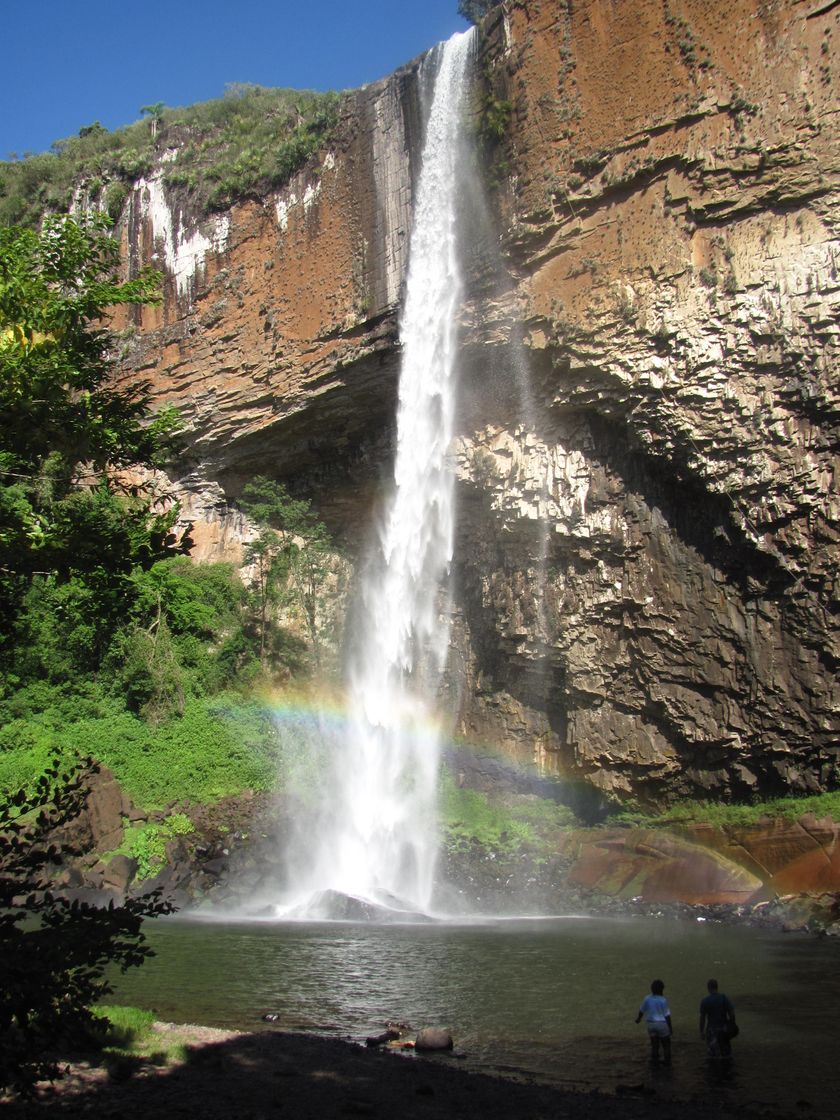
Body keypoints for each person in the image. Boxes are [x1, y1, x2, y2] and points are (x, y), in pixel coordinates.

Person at [635, 979, 672, 1064]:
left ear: (651, 989)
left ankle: (654, 1062)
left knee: (654, 1045)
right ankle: (668, 1063)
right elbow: (667, 1015)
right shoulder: (663, 1000)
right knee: (666, 1045)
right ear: (662, 990)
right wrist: (670, 1028)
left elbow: (641, 1010)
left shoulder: (647, 998)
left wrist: (638, 1019)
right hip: (662, 1024)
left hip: (651, 1025)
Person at [699, 978, 736, 1058]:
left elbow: (702, 1018)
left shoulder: (705, 1001)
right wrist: (732, 1024)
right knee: (726, 1054)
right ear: (717, 987)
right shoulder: (724, 998)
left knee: (713, 1055)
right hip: (724, 1029)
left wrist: (701, 1031)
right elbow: (732, 1013)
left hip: (712, 1031)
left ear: (708, 988)